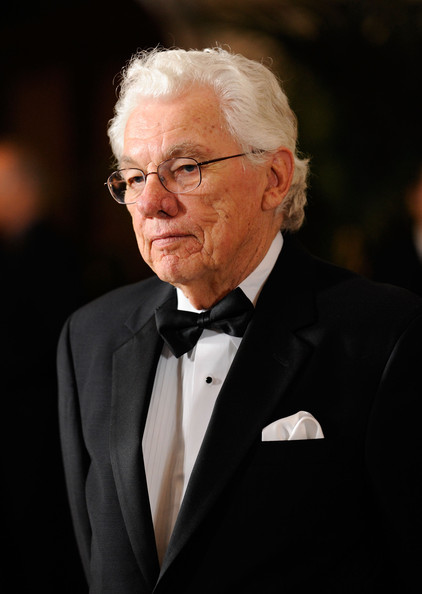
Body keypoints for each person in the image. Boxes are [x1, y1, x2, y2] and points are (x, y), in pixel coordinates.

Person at [57, 47, 422, 593]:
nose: (151, 202)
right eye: (133, 177)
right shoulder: (89, 336)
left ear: (274, 178)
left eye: (186, 168)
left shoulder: (388, 335)